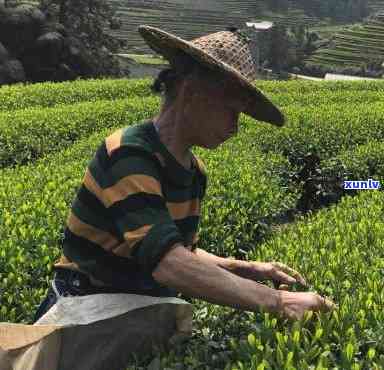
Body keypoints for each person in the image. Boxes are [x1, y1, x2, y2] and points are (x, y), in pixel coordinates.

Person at [31, 24, 335, 364]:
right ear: (191, 94)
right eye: (231, 110)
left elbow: (178, 251)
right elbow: (169, 265)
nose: (235, 127)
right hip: (84, 316)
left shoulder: (194, 172)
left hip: (137, 315)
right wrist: (280, 302)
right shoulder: (129, 153)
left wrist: (242, 267)